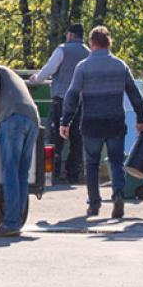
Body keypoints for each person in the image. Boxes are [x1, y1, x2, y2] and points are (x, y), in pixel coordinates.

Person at [60, 26, 143, 219]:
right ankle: (118, 197)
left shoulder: (83, 67)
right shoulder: (120, 66)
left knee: (91, 164)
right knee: (116, 162)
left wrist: (65, 121)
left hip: (91, 123)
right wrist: (141, 118)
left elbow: (72, 96)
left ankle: (94, 205)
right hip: (115, 121)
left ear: (91, 43)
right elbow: (134, 94)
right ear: (109, 43)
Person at [0, 63, 41, 237]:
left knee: (10, 170)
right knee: (21, 173)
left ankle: (10, 223)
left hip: (13, 119)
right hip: (32, 120)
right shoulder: (13, 76)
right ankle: (16, 220)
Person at [29, 23, 90, 183]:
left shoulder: (62, 49)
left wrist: (36, 79)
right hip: (81, 102)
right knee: (77, 139)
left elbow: (49, 70)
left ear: (70, 35)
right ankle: (73, 174)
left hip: (62, 99)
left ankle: (53, 173)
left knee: (56, 137)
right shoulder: (88, 53)